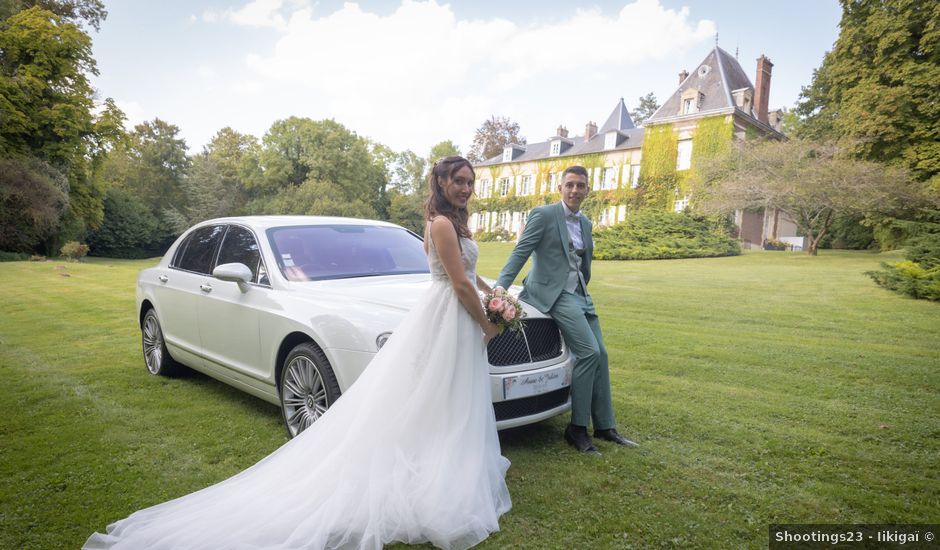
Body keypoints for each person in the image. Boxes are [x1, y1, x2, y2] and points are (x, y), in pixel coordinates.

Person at [84, 156, 510, 550]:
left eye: (470, 181)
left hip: (450, 314)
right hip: (449, 313)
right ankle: (432, 479)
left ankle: (442, 469)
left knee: (446, 398)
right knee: (432, 396)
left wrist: (498, 293)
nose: (466, 187)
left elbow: (468, 274)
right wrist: (488, 322)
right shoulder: (440, 225)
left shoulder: (452, 223)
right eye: (458, 180)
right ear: (439, 182)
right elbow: (455, 282)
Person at [496, 165, 637, 456]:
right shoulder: (544, 215)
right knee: (588, 352)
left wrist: (582, 286)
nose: (575, 190)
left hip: (580, 294)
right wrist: (500, 290)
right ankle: (576, 429)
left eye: (581, 185)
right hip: (552, 292)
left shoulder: (585, 223)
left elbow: (584, 262)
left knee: (603, 354)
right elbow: (521, 251)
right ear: (560, 188)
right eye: (570, 184)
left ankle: (605, 425)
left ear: (587, 190)